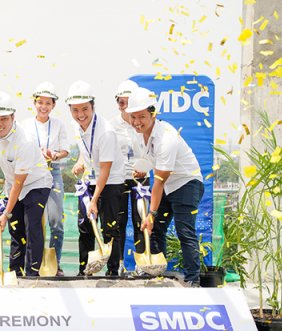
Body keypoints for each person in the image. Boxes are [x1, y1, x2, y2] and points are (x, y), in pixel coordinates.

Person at [126, 87, 204, 287]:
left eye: (141, 116)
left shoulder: (166, 138)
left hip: (187, 183)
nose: (136, 121)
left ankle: (192, 279)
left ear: (153, 114)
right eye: (133, 116)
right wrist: (143, 169)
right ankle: (155, 272)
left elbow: (159, 181)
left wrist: (151, 213)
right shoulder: (139, 133)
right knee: (156, 229)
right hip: (168, 185)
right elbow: (151, 162)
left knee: (184, 231)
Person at [0, 92, 53, 277]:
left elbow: (19, 182)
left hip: (36, 183)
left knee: (31, 226)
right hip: (12, 183)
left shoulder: (25, 142)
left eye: (4, 119)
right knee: (15, 229)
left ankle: (32, 272)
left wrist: (6, 213)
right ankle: (15, 272)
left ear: (13, 118)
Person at [67, 80, 125, 276]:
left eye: (84, 109)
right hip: (90, 180)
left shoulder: (106, 132)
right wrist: (80, 162)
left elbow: (105, 170)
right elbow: (87, 150)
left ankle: (112, 271)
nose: (80, 114)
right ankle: (85, 270)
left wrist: (94, 200)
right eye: (75, 110)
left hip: (110, 182)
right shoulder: (76, 126)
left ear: (93, 106)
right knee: (84, 227)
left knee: (109, 227)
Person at [20, 82, 69, 276]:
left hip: (53, 171)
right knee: (30, 222)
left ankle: (54, 263)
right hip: (32, 174)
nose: (44, 106)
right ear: (34, 103)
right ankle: (33, 263)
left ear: (53, 105)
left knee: (56, 221)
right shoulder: (24, 125)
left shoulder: (59, 124)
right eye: (40, 102)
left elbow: (65, 150)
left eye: (48, 103)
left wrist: (54, 155)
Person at [108, 80, 145, 275]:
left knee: (140, 221)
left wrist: (145, 168)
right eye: (121, 102)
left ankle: (141, 264)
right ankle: (119, 264)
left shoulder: (143, 122)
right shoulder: (111, 126)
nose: (125, 107)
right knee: (119, 222)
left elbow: (150, 149)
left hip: (141, 177)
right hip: (119, 177)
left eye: (129, 102)